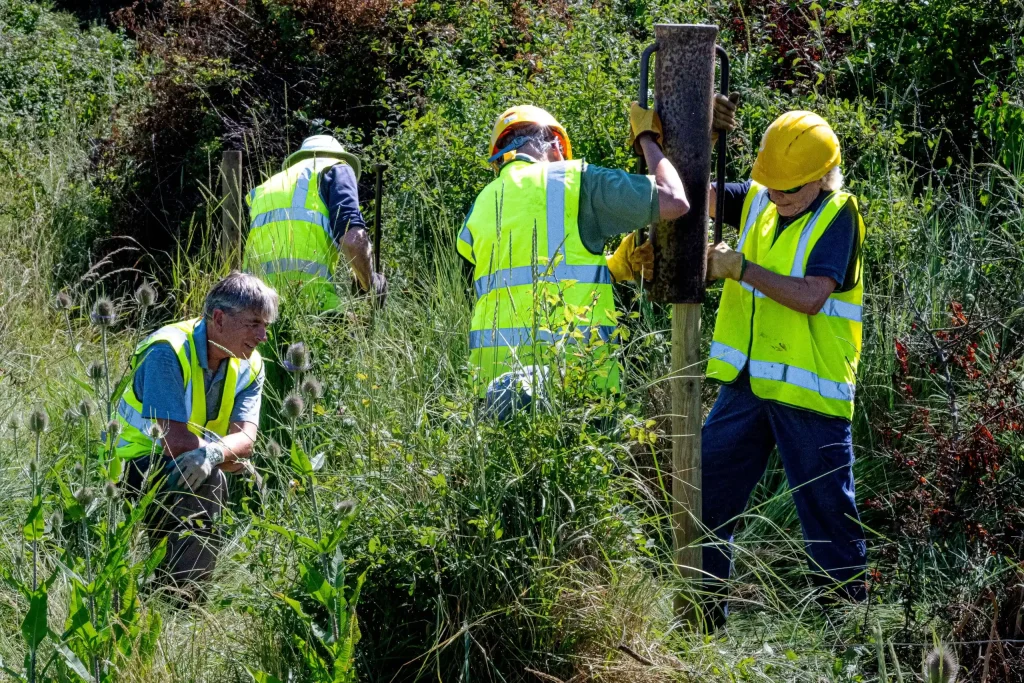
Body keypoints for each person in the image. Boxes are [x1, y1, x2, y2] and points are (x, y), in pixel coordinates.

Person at [701, 102, 868, 623]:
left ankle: (850, 641)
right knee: (703, 497)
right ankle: (703, 625)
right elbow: (687, 198)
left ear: (823, 178)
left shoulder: (840, 214)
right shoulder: (759, 201)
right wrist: (696, 134)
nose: (778, 196)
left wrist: (741, 268)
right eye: (771, 184)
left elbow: (812, 295)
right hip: (746, 384)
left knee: (828, 521)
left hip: (809, 396)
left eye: (790, 188)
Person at [457, 103, 689, 405]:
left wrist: (614, 268)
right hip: (576, 383)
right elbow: (674, 199)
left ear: (499, 157)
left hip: (494, 386)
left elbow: (527, 280)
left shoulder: (482, 203)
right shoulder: (575, 181)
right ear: (555, 144)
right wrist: (646, 138)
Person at [114, 272, 277, 601]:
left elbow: (246, 441)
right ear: (219, 318)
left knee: (232, 476)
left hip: (187, 461)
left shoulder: (251, 364)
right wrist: (223, 455)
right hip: (129, 468)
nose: (262, 336)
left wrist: (217, 455)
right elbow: (175, 442)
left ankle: (180, 588)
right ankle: (182, 602)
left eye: (266, 326)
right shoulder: (168, 350)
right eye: (253, 324)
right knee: (211, 479)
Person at [243, 135, 386, 312]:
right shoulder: (338, 169)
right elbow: (352, 239)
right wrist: (369, 281)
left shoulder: (264, 188)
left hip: (255, 308)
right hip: (314, 304)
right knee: (354, 331)